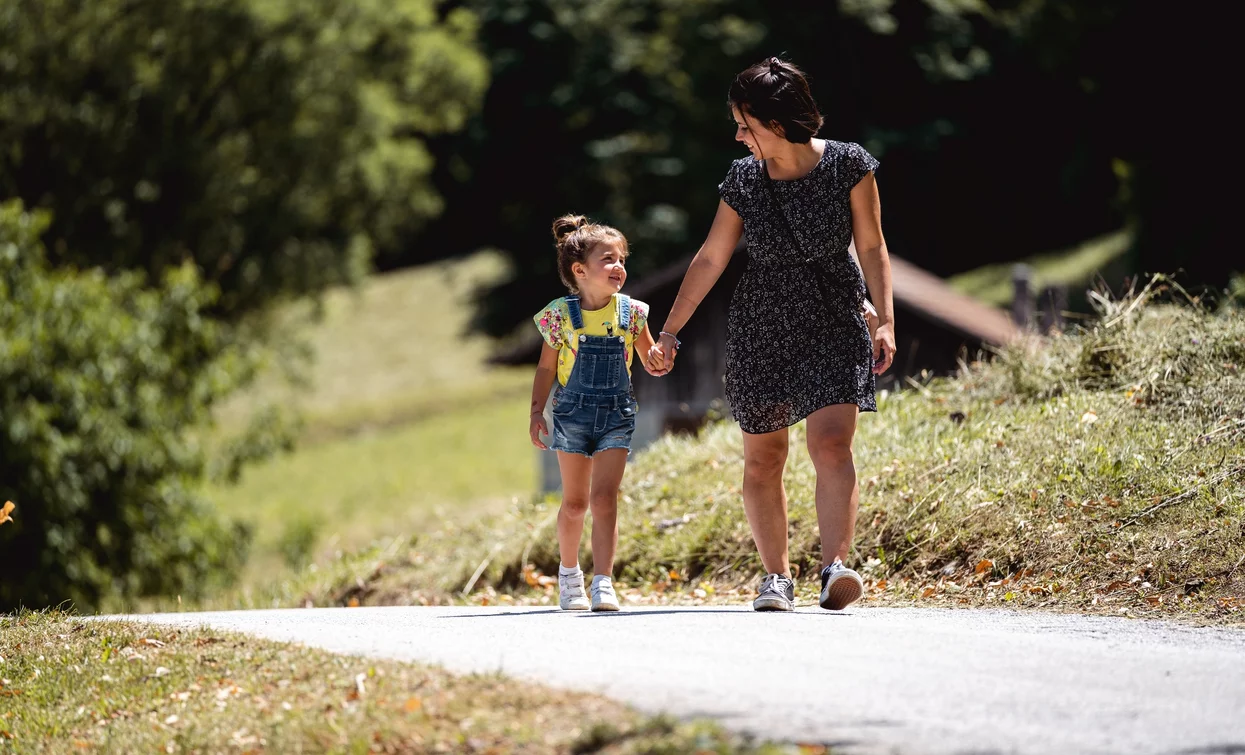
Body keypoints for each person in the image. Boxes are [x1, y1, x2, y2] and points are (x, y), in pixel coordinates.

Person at [649, 57, 896, 612]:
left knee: (831, 444)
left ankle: (835, 569)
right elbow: (711, 258)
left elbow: (873, 247)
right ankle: (776, 578)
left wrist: (885, 318)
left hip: (836, 315)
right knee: (765, 458)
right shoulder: (742, 178)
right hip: (762, 324)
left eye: (745, 124)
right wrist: (669, 332)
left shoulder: (849, 165)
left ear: (777, 124)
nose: (737, 135)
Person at [528, 215, 662, 611]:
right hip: (570, 414)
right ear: (580, 270)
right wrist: (537, 413)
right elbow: (546, 369)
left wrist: (659, 358)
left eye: (622, 259)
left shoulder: (633, 313)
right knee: (574, 503)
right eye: (609, 259)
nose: (619, 266)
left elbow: (648, 357)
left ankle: (604, 581)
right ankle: (569, 577)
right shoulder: (559, 315)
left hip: (617, 413)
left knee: (606, 498)